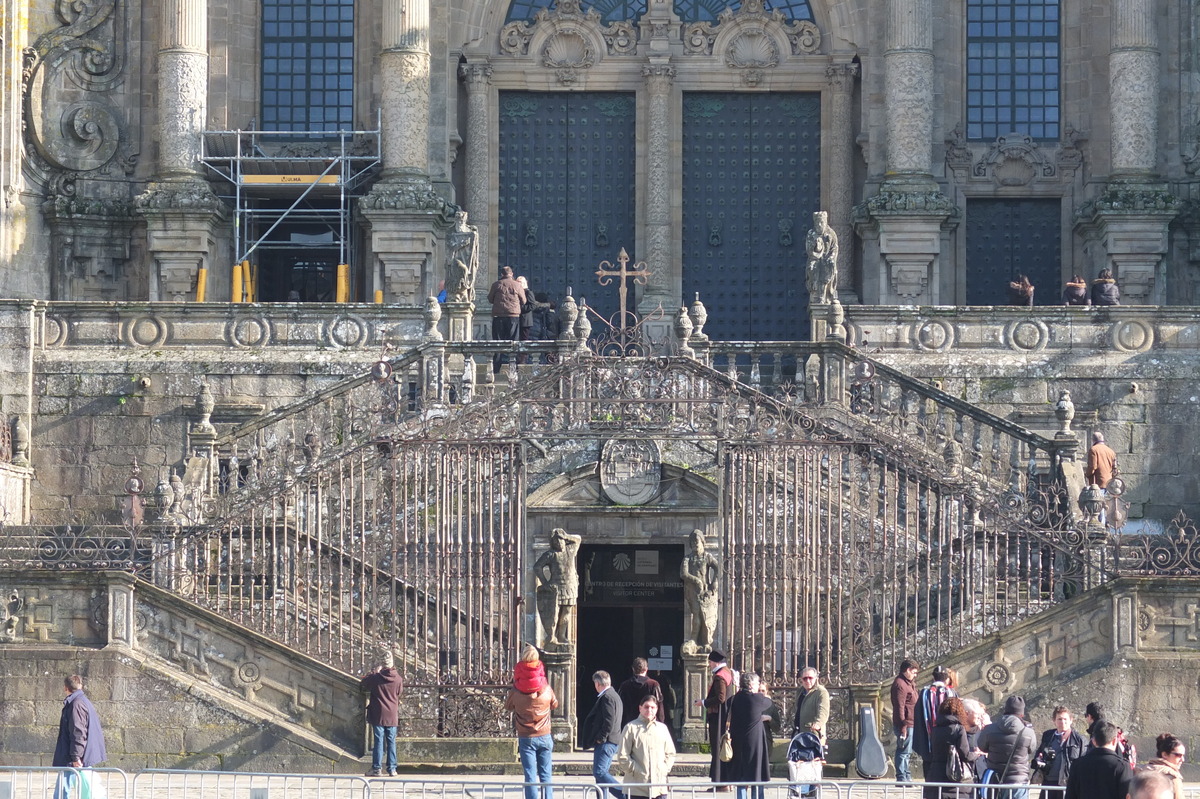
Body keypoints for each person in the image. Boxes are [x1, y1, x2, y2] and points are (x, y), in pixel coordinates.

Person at [505, 672, 559, 799]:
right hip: (544, 734)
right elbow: (555, 704)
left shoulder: (517, 690)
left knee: (530, 774)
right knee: (546, 774)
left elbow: (508, 706)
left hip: (526, 735)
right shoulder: (546, 688)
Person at [53, 674, 107, 799]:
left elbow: (78, 732)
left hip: (74, 756)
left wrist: (76, 756)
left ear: (65, 688)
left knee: (63, 789)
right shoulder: (83, 701)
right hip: (80, 754)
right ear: (81, 686)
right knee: (81, 788)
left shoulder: (76, 704)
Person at [977, 695, 1037, 799]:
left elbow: (982, 747)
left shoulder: (989, 729)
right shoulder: (1028, 732)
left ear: (1005, 709)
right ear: (1022, 713)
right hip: (1018, 781)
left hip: (995, 780)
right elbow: (1031, 749)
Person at [616, 695, 676, 799]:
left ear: (657, 709)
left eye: (652, 707)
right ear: (640, 708)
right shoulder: (630, 728)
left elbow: (670, 753)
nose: (649, 710)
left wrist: (664, 769)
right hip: (636, 788)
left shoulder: (662, 728)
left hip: (659, 787)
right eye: (646, 707)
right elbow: (622, 755)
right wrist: (636, 770)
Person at [727, 672, 773, 799]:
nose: (759, 685)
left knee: (742, 776)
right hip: (754, 742)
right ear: (751, 684)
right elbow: (768, 702)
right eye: (758, 683)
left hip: (738, 741)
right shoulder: (756, 699)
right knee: (756, 775)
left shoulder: (735, 698)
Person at [533, 528, 582, 648]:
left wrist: (566, 535)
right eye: (555, 542)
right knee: (554, 613)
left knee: (566, 612)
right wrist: (545, 582)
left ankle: (561, 636)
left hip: (570, 585)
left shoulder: (570, 550)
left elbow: (578, 540)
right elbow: (537, 567)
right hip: (556, 587)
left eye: (560, 541)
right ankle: (551, 636)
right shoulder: (550, 554)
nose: (558, 543)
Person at [923, 696, 979, 799]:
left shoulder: (935, 729)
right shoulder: (958, 729)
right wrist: (976, 754)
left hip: (935, 774)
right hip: (953, 777)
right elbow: (965, 755)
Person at [582, 670, 624, 799]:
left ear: (597, 683)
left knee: (599, 772)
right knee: (601, 774)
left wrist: (601, 738)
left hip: (607, 741)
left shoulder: (607, 697)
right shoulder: (613, 695)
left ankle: (624, 794)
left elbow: (609, 721)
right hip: (611, 740)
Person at [361, 650, 404, 777]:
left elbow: (364, 683)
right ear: (392, 664)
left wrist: (375, 671)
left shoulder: (376, 678)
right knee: (391, 741)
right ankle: (392, 769)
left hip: (378, 712)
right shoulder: (398, 679)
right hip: (392, 714)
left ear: (382, 664)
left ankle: (377, 769)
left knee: (378, 741)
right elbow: (399, 693)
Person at [1065, 720, 1133, 799]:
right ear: (1115, 741)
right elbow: (1125, 795)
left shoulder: (1077, 764)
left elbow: (1070, 795)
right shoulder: (1122, 766)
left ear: (1093, 741)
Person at [791, 667, 829, 797]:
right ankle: (801, 793)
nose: (807, 681)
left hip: (813, 736)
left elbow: (823, 711)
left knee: (812, 768)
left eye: (810, 678)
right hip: (800, 734)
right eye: (804, 678)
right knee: (799, 767)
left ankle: (811, 794)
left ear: (816, 678)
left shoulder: (821, 692)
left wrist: (818, 724)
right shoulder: (800, 692)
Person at [681, 530, 720, 652]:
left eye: (696, 541)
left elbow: (718, 567)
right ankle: (693, 639)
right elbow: (683, 573)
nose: (694, 544)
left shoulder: (707, 557)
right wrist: (696, 580)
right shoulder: (688, 558)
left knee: (705, 616)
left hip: (705, 592)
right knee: (696, 614)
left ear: (702, 542)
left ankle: (705, 641)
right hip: (693, 591)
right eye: (692, 542)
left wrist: (714, 581)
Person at [702, 650, 736, 791]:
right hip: (726, 716)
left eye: (710, 662)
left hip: (719, 717)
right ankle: (726, 783)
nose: (709, 665)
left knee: (718, 749)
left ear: (715, 662)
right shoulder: (728, 673)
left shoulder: (719, 677)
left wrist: (704, 702)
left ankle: (721, 783)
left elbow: (720, 698)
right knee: (723, 749)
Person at [1034, 706, 1085, 797]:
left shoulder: (1079, 740)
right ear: (1054, 721)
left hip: (1069, 784)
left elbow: (1084, 762)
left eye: (1065, 719)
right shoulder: (1048, 736)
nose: (1063, 722)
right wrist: (1039, 760)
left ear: (1071, 720)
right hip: (1048, 783)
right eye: (1059, 719)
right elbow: (1039, 754)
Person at [914, 666, 957, 772]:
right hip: (947, 736)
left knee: (929, 769)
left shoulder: (924, 693)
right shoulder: (951, 693)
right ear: (947, 679)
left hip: (928, 737)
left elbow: (918, 715)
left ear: (933, 678)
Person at [487, 265, 524, 371]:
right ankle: (513, 367)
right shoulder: (517, 285)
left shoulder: (496, 285)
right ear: (511, 274)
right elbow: (524, 300)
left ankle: (496, 368)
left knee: (497, 343)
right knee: (514, 342)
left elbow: (490, 299)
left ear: (502, 274)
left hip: (499, 316)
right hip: (513, 316)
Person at [890, 658, 919, 784]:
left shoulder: (908, 683)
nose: (915, 675)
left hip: (910, 722)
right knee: (903, 751)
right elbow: (899, 707)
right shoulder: (900, 685)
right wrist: (903, 726)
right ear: (907, 670)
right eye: (914, 672)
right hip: (905, 723)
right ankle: (902, 777)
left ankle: (906, 774)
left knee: (907, 751)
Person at [618, 658, 665, 727]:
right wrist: (660, 723)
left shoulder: (624, 685)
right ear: (646, 669)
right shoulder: (653, 684)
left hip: (629, 723)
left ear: (633, 669)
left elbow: (620, 706)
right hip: (649, 724)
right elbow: (659, 706)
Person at [1139, 733, 1185, 799]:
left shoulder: (1141, 770)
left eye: (1183, 756)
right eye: (1178, 755)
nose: (1182, 760)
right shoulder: (1173, 777)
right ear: (1164, 754)